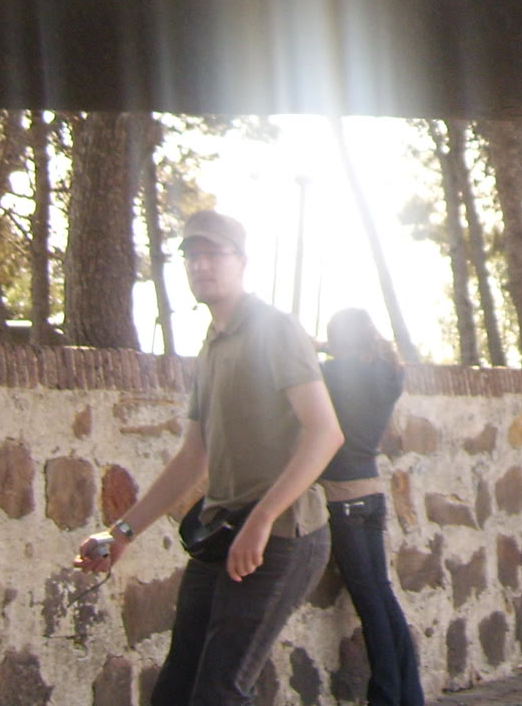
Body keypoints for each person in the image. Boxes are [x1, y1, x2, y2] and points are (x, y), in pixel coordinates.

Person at [75, 209, 345, 706]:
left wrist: (262, 518)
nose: (201, 265)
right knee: (176, 689)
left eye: (213, 253)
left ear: (241, 261)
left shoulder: (275, 329)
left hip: (282, 536)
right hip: (221, 531)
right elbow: (192, 456)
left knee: (218, 692)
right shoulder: (213, 343)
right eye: (191, 255)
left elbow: (326, 433)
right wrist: (121, 533)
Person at [320, 308, 424, 706]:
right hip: (371, 491)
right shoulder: (388, 373)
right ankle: (408, 694)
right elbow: (348, 358)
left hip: (342, 495)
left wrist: (315, 346)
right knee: (381, 593)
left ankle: (385, 694)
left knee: (370, 603)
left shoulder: (333, 375)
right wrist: (326, 344)